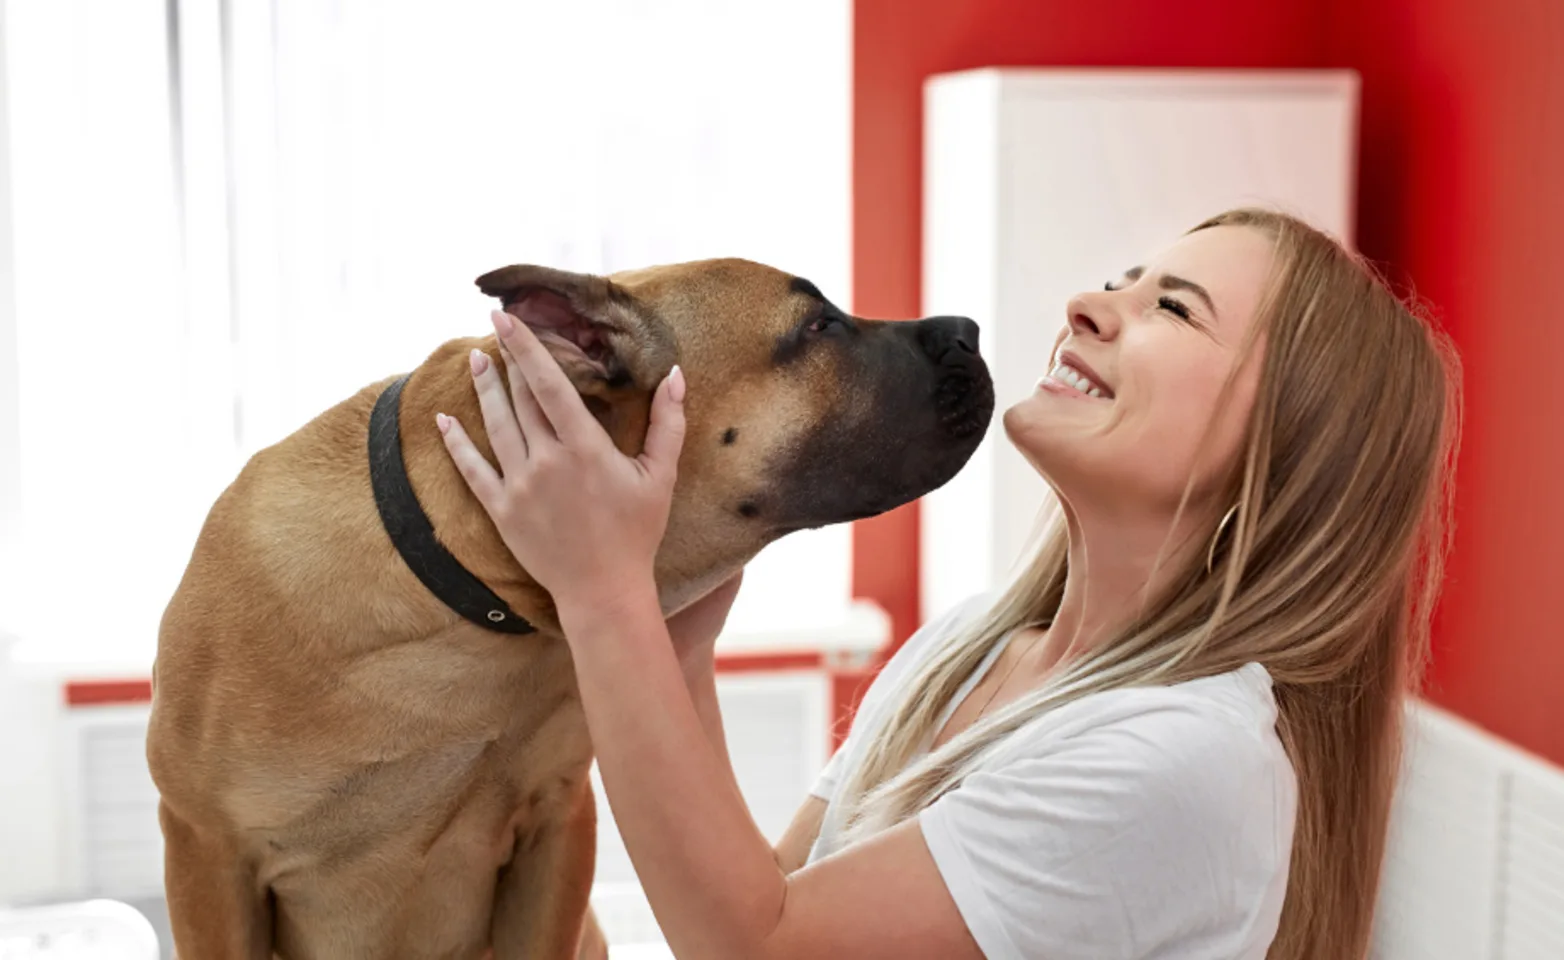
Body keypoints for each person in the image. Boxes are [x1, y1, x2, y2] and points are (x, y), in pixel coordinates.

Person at [437, 208, 1459, 960]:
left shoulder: (1188, 760)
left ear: (1280, 452)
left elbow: (756, 947)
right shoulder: (969, 643)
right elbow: (772, 896)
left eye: (1172, 308)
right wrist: (679, 642)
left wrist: (604, 592)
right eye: (1123, 275)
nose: (1088, 305)